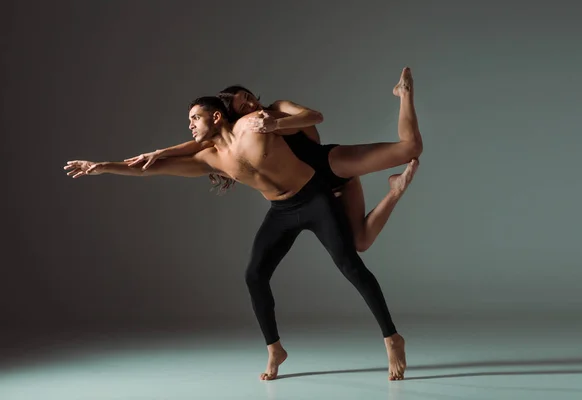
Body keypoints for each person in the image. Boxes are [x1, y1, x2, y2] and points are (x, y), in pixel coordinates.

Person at [64, 67, 423, 381]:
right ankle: (275, 348)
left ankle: (392, 338)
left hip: (314, 197)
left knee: (349, 262)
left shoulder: (255, 123)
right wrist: (104, 166)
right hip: (281, 211)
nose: (189, 125)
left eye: (195, 117)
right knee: (254, 275)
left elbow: (310, 117)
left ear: (217, 117)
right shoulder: (210, 158)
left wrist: (277, 122)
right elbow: (152, 169)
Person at [125, 68, 421, 252]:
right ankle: (396, 190)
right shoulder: (246, 132)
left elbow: (316, 116)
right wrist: (160, 153)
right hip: (319, 191)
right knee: (360, 243)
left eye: (249, 96)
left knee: (410, 148)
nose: (253, 103)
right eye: (244, 105)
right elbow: (197, 145)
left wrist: (275, 125)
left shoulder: (277, 108)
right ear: (236, 117)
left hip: (331, 164)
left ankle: (403, 92)